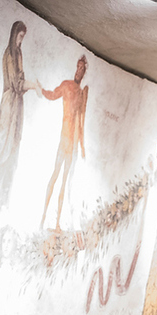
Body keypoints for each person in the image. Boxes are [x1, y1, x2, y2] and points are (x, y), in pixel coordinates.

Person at [0, 20, 41, 211]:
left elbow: (20, 84)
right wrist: (34, 85)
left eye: (23, 37)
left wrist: (30, 86)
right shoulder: (10, 54)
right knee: (3, 148)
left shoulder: (18, 53)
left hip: (17, 105)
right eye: (20, 36)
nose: (21, 41)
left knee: (12, 152)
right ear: (14, 35)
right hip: (9, 104)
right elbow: (16, 83)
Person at [40, 55, 90, 230]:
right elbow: (52, 95)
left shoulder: (83, 93)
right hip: (64, 138)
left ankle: (57, 223)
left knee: (64, 181)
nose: (79, 70)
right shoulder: (67, 85)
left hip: (73, 143)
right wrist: (39, 88)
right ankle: (43, 218)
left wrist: (82, 146)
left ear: (85, 72)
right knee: (54, 175)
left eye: (82, 68)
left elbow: (81, 121)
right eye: (78, 67)